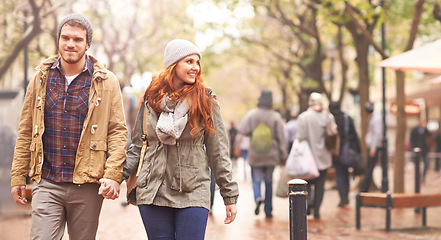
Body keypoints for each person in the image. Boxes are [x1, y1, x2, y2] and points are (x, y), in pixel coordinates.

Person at [10, 13, 127, 239]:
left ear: (88, 44)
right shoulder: (40, 78)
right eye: (65, 38)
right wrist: (18, 176)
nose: (70, 44)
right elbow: (26, 130)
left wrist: (113, 174)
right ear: (58, 40)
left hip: (87, 185)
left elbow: (117, 132)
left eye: (77, 39)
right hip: (47, 181)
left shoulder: (106, 81)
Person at [123, 39, 239, 240]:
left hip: (192, 189)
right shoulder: (151, 100)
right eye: (189, 61)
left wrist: (229, 196)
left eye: (197, 62)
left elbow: (218, 152)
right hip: (153, 189)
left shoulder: (205, 101)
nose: (195, 67)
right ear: (173, 64)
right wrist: (116, 177)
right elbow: (138, 145)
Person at [236, 89, 287, 218]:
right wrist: (283, 155)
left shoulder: (252, 115)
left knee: (256, 179)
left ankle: (258, 197)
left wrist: (236, 147)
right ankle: (268, 210)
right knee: (269, 181)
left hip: (255, 153)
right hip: (272, 153)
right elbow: (282, 138)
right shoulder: (275, 116)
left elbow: (242, 131)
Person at [296, 92, 337, 219]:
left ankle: (308, 204)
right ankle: (317, 210)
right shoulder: (328, 117)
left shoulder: (303, 117)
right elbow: (334, 132)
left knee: (307, 183)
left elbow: (300, 137)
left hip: (307, 158)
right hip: (323, 157)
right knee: (320, 185)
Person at [329, 101, 361, 207]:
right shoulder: (347, 118)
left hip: (336, 153)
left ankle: (343, 198)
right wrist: (357, 150)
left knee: (340, 175)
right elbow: (355, 135)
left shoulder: (331, 119)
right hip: (347, 153)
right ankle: (345, 197)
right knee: (346, 174)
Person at [359, 102, 383, 192]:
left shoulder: (376, 119)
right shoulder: (372, 118)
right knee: (369, 168)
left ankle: (364, 189)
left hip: (375, 147)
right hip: (373, 146)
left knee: (369, 168)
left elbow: (376, 135)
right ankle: (364, 188)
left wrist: (373, 148)